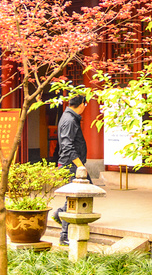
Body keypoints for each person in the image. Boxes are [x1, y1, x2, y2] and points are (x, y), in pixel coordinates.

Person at [57, 94, 90, 245]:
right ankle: (64, 234)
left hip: (72, 164)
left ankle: (59, 215)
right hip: (71, 165)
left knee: (80, 195)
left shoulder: (69, 117)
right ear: (82, 104)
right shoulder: (70, 120)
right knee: (74, 197)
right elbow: (67, 146)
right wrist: (80, 165)